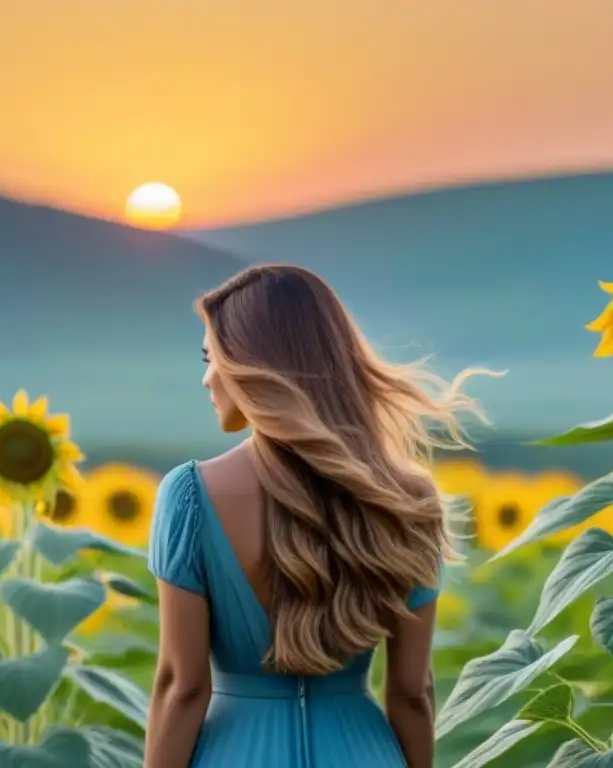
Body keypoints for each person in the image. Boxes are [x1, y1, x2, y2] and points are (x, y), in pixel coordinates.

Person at [144, 264, 491, 767]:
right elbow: (413, 694)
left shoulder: (190, 496)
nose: (206, 378)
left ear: (251, 365)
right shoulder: (407, 498)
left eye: (211, 357)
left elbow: (183, 685)